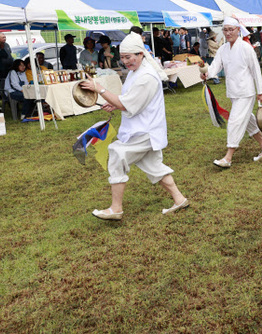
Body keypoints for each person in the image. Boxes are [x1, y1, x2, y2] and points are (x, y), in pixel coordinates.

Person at [79, 32, 188, 220]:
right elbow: (129, 99)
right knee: (153, 165)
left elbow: (127, 103)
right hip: (143, 127)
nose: (125, 61)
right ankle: (179, 199)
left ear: (140, 54)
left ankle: (116, 209)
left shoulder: (146, 76)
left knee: (116, 154)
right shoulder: (135, 72)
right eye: (122, 58)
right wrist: (115, 103)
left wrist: (101, 90)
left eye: (128, 57)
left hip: (145, 130)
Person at [201, 17, 262, 168]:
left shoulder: (246, 48)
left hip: (246, 92)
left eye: (230, 29)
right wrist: (207, 74)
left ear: (238, 30)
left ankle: (228, 157)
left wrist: (260, 92)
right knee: (248, 122)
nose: (227, 33)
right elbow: (215, 66)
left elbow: (256, 70)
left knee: (234, 121)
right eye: (225, 30)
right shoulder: (223, 49)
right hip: (233, 92)